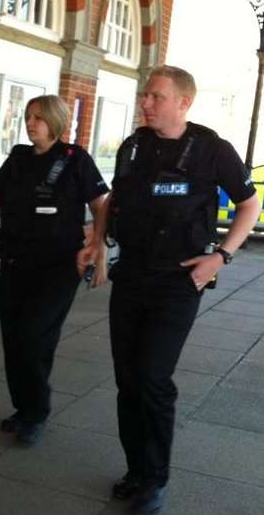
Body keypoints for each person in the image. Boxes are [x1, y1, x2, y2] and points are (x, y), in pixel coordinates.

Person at [77, 65, 261, 514]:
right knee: (127, 379)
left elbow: (249, 205)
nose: (146, 102)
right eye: (145, 95)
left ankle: (155, 479)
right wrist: (96, 243)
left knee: (153, 378)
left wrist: (221, 255)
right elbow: (112, 202)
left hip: (178, 282)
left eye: (156, 96)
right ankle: (137, 468)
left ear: (184, 102)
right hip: (132, 276)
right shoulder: (132, 147)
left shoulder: (211, 149)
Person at [0, 94, 109, 446]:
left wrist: (99, 246)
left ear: (57, 121)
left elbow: (101, 205)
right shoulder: (18, 159)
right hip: (15, 264)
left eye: (40, 118)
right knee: (14, 339)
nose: (31, 123)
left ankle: (36, 412)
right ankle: (23, 408)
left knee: (34, 338)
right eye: (29, 117)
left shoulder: (77, 160)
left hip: (58, 269)